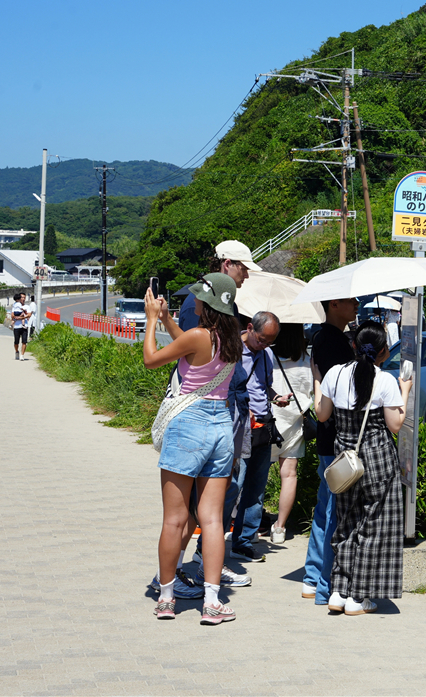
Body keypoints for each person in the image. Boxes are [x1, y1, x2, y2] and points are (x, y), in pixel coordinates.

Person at [150, 240, 258, 598]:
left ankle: (165, 592)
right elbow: (193, 348)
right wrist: (167, 319)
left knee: (176, 518)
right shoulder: (231, 338)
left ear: (206, 304)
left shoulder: (199, 332)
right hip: (221, 424)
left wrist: (153, 321)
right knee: (212, 519)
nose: (193, 300)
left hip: (190, 423)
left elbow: (154, 358)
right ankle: (213, 599)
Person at [314, 321, 412, 615]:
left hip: (344, 458)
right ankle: (358, 597)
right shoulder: (384, 380)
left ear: (354, 346)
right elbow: (395, 426)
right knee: (373, 526)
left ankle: (338, 592)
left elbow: (322, 415)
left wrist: (318, 381)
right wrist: (404, 390)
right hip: (378, 457)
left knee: (345, 523)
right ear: (383, 352)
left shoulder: (335, 373)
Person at [302, 296, 358, 605]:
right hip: (337, 435)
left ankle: (312, 578)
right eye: (351, 301)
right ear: (334, 304)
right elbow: (339, 394)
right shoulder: (333, 341)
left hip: (328, 437)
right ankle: (323, 584)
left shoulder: (324, 337)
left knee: (325, 508)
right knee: (332, 512)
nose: (357, 305)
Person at [227, 311, 292, 563]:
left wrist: (277, 398)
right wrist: (244, 407)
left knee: (256, 489)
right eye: (262, 339)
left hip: (264, 428)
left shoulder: (265, 355)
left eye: (270, 341)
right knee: (234, 486)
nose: (265, 345)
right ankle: (211, 542)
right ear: (250, 327)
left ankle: (243, 542)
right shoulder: (231, 351)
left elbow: (264, 387)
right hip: (241, 427)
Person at [267, 324, 314, 544]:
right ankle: (280, 527)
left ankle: (249, 526)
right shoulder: (306, 361)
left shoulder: (267, 356)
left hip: (266, 425)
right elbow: (312, 392)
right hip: (294, 425)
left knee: (256, 476)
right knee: (289, 475)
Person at [11, 293, 31, 360]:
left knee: (24, 341)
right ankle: (17, 351)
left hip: (25, 326)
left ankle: (22, 355)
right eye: (22, 297)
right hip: (16, 327)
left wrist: (19, 318)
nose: (23, 299)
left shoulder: (27, 307)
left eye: (24, 297)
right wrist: (21, 317)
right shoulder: (15, 305)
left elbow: (29, 315)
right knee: (16, 342)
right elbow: (12, 315)